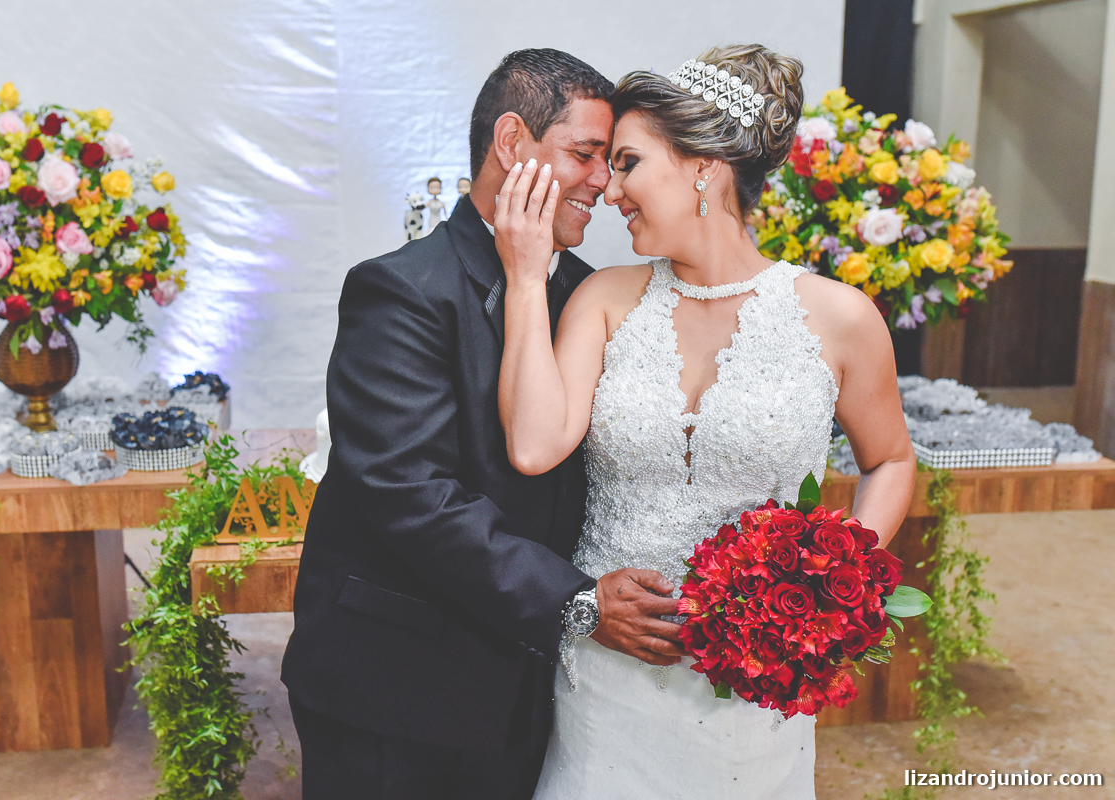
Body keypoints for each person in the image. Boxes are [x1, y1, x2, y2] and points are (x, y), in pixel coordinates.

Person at [493, 44, 916, 798]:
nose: (609, 189)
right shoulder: (604, 300)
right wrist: (528, 278)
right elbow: (532, 444)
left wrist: (831, 578)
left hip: (753, 690)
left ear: (702, 166)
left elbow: (890, 461)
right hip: (610, 673)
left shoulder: (840, 318)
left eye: (628, 163)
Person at [282, 48, 684, 800]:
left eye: (609, 160)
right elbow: (409, 493)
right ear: (511, 143)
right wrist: (579, 601)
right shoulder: (399, 290)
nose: (604, 181)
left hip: (525, 684)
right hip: (395, 687)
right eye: (585, 154)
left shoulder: (583, 292)